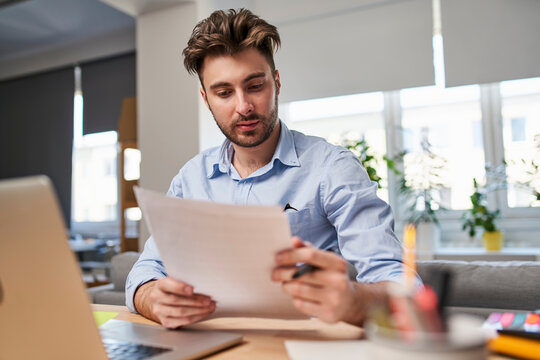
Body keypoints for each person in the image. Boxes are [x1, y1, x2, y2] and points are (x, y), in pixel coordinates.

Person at [126, 8, 406, 329]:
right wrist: (151, 297)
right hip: (206, 344)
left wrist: (355, 300)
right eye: (224, 92)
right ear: (206, 99)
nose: (243, 106)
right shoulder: (191, 179)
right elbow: (146, 268)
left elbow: (400, 283)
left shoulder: (332, 168)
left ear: (276, 82)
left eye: (255, 86)